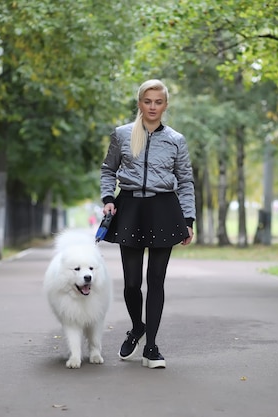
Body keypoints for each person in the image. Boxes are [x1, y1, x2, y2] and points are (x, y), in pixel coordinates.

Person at [100, 79, 195, 369]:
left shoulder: (176, 140)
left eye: (158, 102)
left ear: (165, 105)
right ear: (139, 103)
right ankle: (136, 327)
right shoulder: (121, 135)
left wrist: (188, 218)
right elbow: (108, 169)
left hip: (164, 209)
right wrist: (108, 197)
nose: (152, 107)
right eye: (147, 101)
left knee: (156, 280)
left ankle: (151, 346)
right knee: (131, 283)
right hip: (129, 207)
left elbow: (186, 181)